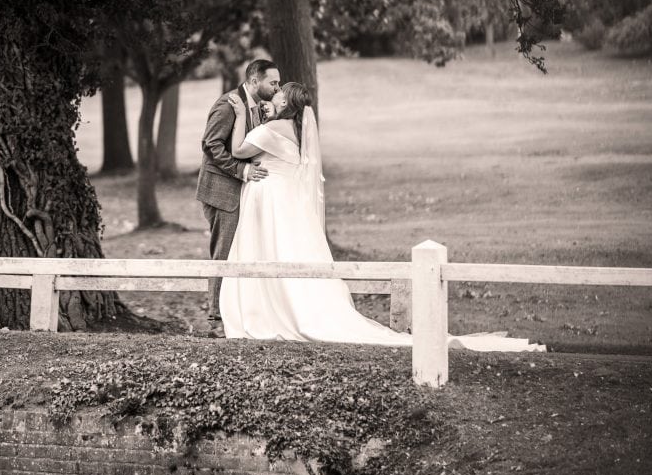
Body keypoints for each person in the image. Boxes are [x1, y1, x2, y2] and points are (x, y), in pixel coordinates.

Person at [219, 82, 545, 352]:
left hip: (271, 203)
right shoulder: (294, 130)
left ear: (286, 101)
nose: (273, 95)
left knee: (270, 255)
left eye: (279, 93)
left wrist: (239, 116)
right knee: (285, 254)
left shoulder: (270, 129)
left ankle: (267, 313)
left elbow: (237, 150)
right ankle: (283, 308)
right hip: (287, 206)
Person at [196, 59, 282, 336]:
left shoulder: (257, 108)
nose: (277, 87)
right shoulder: (228, 104)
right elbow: (211, 145)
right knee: (223, 253)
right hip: (222, 191)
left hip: (241, 192)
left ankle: (235, 313)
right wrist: (241, 170)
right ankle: (214, 320)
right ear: (255, 81)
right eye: (273, 82)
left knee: (238, 251)